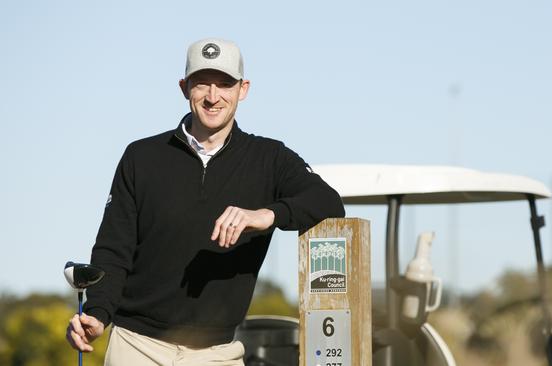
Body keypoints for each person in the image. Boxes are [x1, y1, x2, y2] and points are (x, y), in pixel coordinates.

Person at [66, 38, 345, 365]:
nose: (213, 96)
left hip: (218, 353)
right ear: (185, 88)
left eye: (225, 84)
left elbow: (328, 203)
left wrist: (266, 215)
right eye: (202, 84)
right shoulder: (141, 157)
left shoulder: (270, 159)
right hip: (136, 345)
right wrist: (97, 314)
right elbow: (114, 250)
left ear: (243, 89)